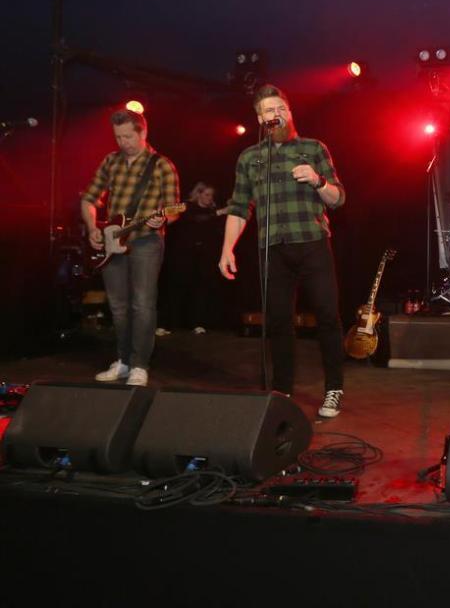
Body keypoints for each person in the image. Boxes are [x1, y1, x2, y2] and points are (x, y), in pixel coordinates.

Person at [218, 84, 348, 418]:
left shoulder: (313, 148)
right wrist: (227, 248)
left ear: (289, 113)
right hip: (272, 248)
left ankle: (334, 388)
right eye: (268, 110)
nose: (275, 114)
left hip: (312, 243)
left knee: (327, 316)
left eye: (280, 108)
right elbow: (239, 207)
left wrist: (318, 181)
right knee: (278, 321)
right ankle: (282, 390)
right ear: (259, 118)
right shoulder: (250, 157)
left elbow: (338, 198)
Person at [83, 108, 180, 386]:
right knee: (118, 306)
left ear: (143, 132)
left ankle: (139, 365)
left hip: (146, 241)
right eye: (118, 137)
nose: (122, 142)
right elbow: (89, 199)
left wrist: (164, 218)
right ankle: (123, 361)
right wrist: (92, 228)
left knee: (143, 304)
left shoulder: (161, 165)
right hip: (113, 242)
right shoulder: (110, 161)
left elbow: (174, 209)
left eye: (127, 136)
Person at [172, 182, 225, 334]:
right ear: (198, 194)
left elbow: (219, 231)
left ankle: (198, 323)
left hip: (205, 255)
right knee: (178, 287)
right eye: (207, 194)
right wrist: (220, 212)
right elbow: (197, 219)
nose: (210, 198)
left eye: (211, 195)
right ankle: (167, 323)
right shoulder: (186, 207)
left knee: (201, 288)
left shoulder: (213, 210)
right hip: (184, 253)